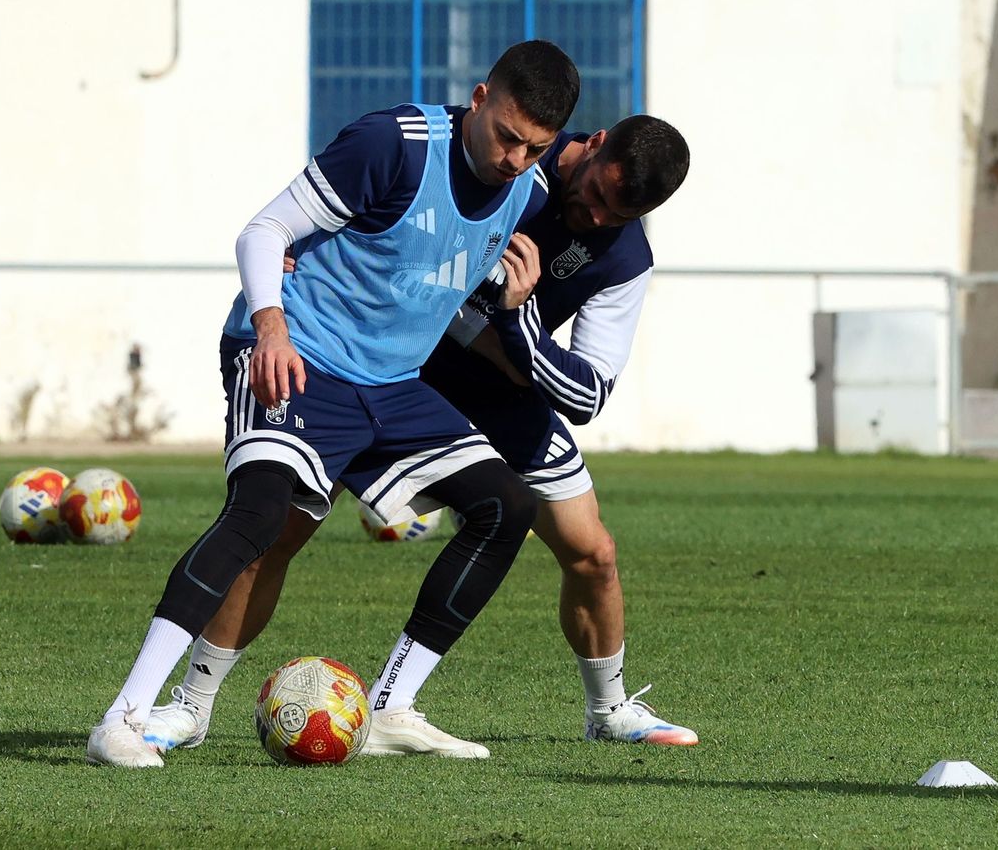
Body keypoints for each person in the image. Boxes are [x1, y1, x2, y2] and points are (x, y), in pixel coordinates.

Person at [86, 40, 581, 768]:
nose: (514, 159)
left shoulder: (527, 194)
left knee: (507, 505)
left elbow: (442, 289)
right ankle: (127, 718)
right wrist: (271, 328)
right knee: (259, 515)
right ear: (479, 98)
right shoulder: (393, 145)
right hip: (298, 355)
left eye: (534, 149)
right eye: (507, 136)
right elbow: (264, 231)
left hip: (391, 384)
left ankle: (390, 709)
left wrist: (511, 310)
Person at [174, 114, 696, 750]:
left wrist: (517, 327)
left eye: (618, 214)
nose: (596, 216)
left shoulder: (627, 257)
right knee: (280, 532)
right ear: (595, 143)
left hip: (506, 391)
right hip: (398, 365)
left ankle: (604, 710)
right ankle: (191, 704)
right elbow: (393, 209)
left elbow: (588, 393)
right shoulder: (511, 153)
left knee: (594, 554)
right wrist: (307, 250)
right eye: (595, 193)